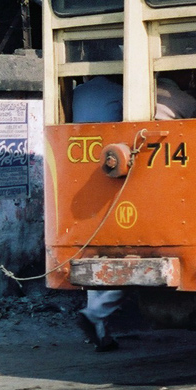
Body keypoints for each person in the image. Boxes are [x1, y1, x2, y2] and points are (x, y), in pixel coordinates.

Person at [71, 76, 125, 352]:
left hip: (82, 176)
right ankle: (96, 316)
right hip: (114, 176)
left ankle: (102, 333)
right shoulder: (120, 91)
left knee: (95, 256)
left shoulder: (79, 91)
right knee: (123, 257)